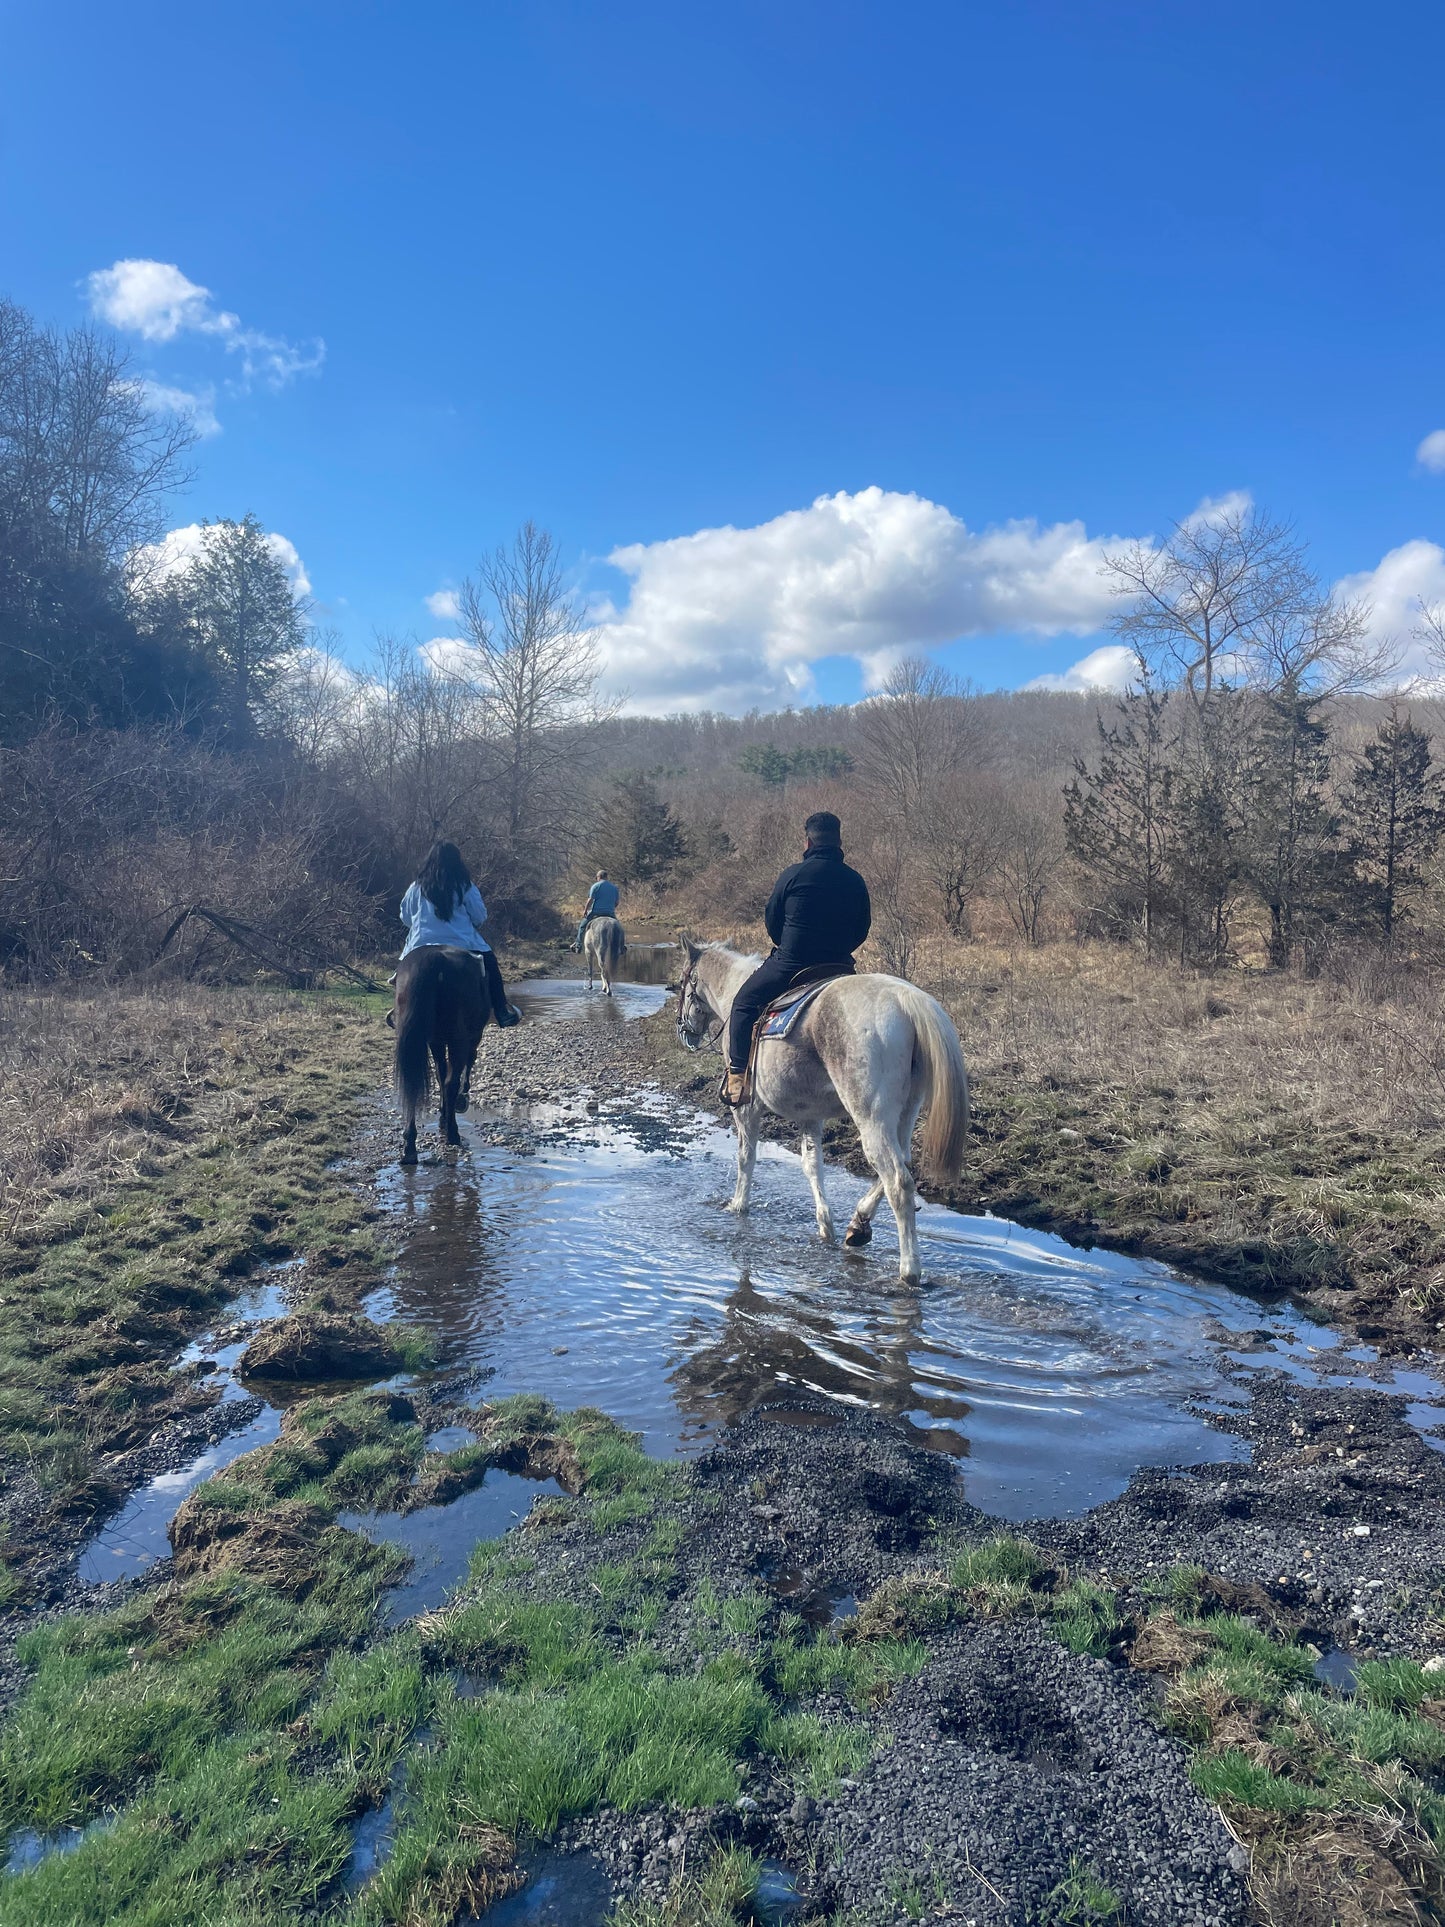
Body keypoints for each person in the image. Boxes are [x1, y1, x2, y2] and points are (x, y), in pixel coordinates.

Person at [721, 811, 871, 1106]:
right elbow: (862, 928)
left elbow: (772, 922)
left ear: (807, 841)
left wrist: (787, 945)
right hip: (839, 965)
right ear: (839, 841)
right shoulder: (855, 879)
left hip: (792, 964)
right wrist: (840, 951)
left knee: (744, 1004)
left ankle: (738, 1077)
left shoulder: (792, 875)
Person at [396, 841, 520, 1027]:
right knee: (491, 965)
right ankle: (502, 1010)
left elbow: (405, 917)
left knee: (404, 973)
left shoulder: (416, 887)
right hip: (464, 943)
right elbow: (479, 916)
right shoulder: (465, 886)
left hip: (421, 943)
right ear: (457, 862)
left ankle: (398, 1011)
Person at [574, 870, 621, 951]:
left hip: (596, 912)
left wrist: (585, 910)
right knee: (619, 929)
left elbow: (590, 900)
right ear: (606, 877)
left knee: (582, 926)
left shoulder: (595, 886)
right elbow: (616, 903)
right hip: (610, 913)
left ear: (599, 877)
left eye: (597, 877)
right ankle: (621, 946)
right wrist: (610, 909)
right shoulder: (614, 887)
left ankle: (578, 945)